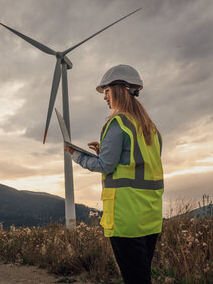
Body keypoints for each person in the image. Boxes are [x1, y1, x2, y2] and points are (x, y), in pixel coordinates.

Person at [65, 64, 164, 284]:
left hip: (126, 217)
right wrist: (105, 152)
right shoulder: (151, 127)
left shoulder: (118, 122)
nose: (105, 97)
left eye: (107, 91)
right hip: (150, 216)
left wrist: (76, 155)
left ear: (119, 90)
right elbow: (139, 164)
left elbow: (105, 167)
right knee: (142, 276)